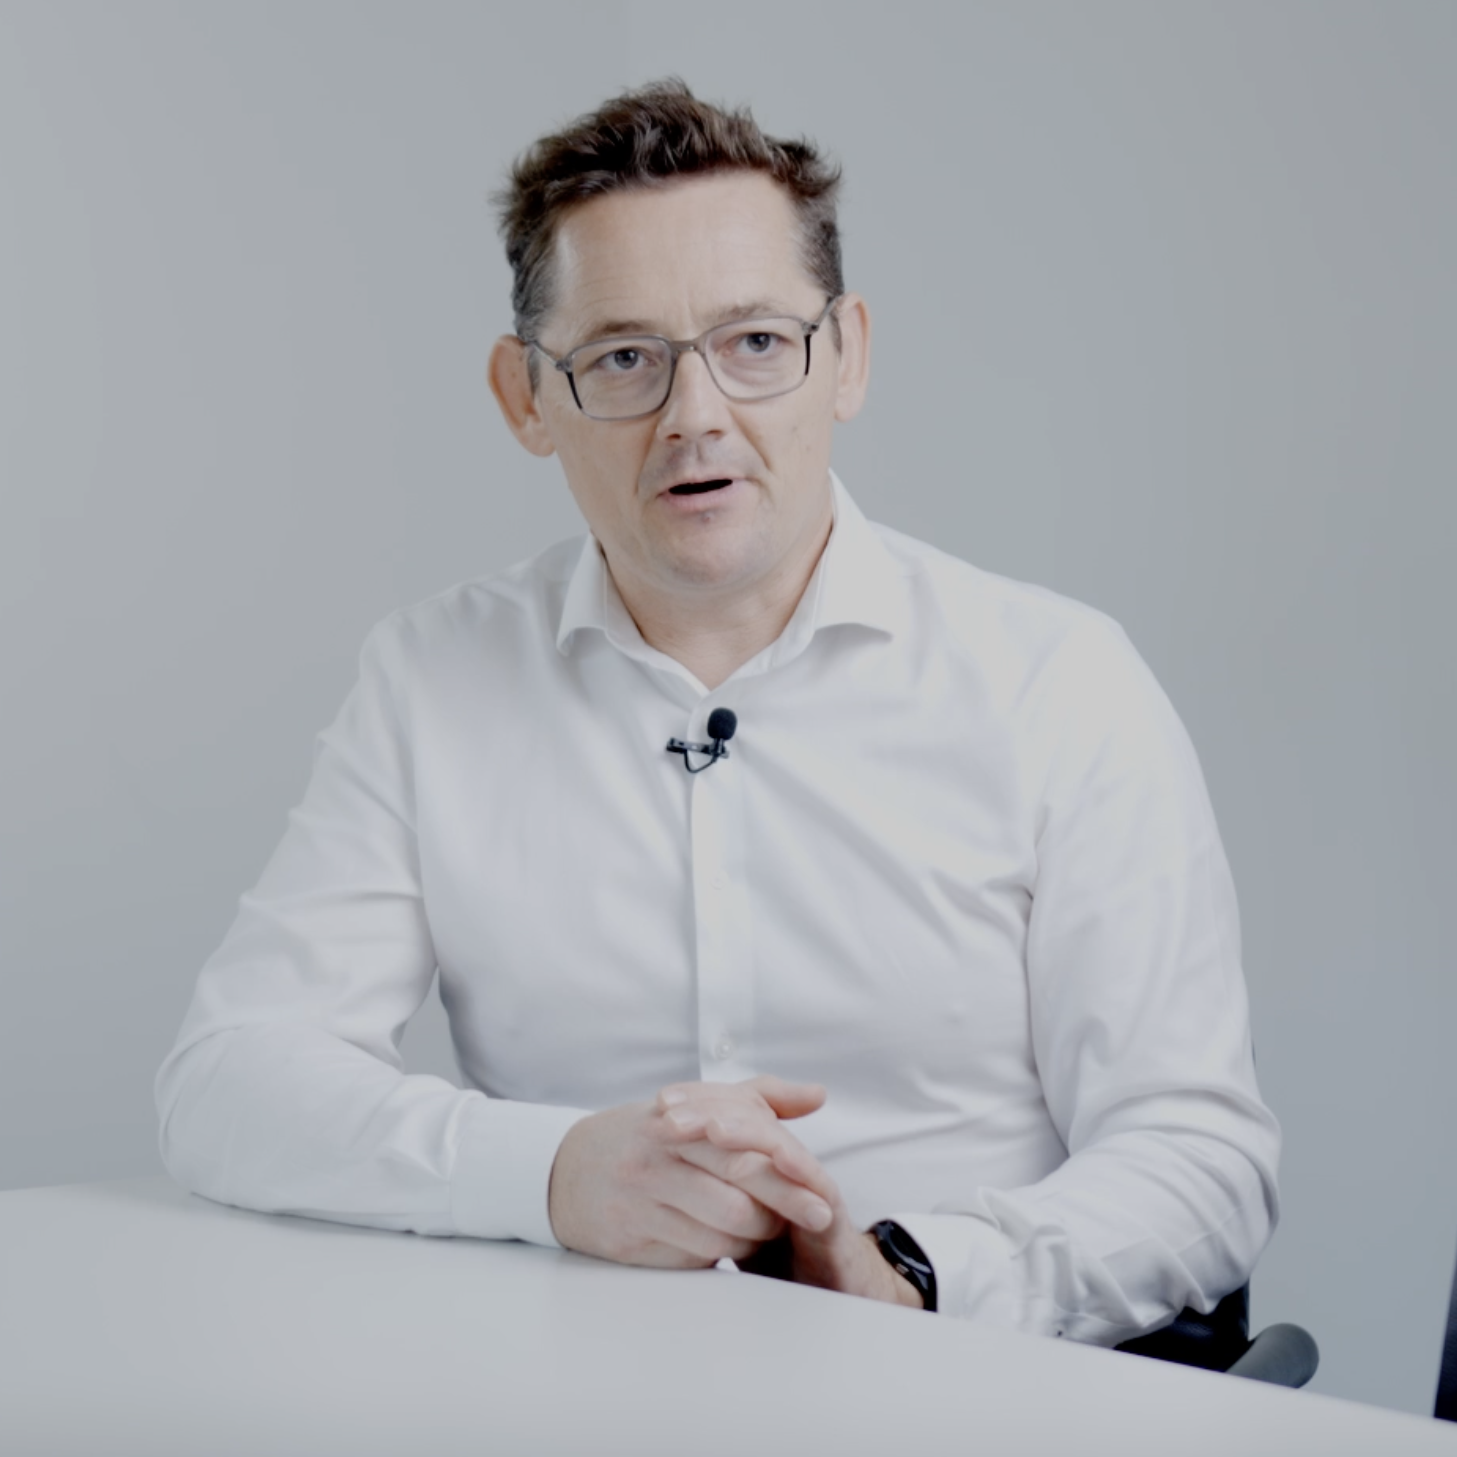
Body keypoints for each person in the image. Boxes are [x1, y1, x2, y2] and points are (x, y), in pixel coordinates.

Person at [155, 79, 1279, 1341]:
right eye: (622, 358)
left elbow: (1198, 1157)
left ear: (846, 355)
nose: (696, 418)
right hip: (576, 1391)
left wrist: (912, 1273)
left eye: (753, 343)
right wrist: (551, 1171)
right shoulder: (432, 676)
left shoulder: (1054, 682)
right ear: (525, 397)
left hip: (967, 1385)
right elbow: (228, 1081)